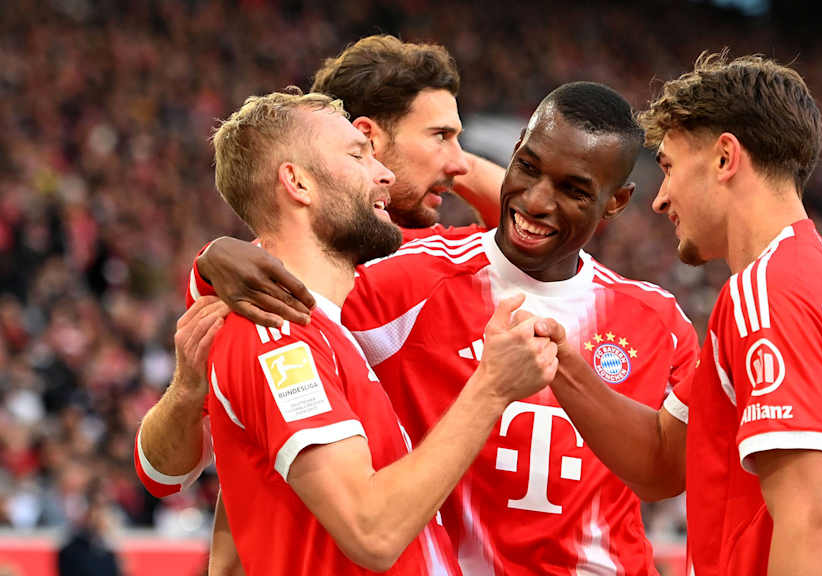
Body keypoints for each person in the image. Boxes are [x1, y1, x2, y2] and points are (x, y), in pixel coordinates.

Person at [169, 82, 700, 574]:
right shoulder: (407, 274)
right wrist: (212, 261)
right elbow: (280, 280)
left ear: (616, 201)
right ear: (514, 151)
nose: (537, 201)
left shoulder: (660, 320)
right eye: (528, 167)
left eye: (574, 190)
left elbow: (668, 472)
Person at [535, 51, 822, 576]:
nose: (660, 199)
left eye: (668, 167)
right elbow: (662, 460)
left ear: (725, 159)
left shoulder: (767, 292)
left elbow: (808, 522)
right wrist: (557, 360)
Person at [195, 89, 558, 575]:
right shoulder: (276, 334)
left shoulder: (327, 330)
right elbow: (371, 532)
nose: (384, 174)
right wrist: (491, 387)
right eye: (357, 156)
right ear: (298, 183)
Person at [133, 34, 507, 497]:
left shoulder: (254, 270)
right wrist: (186, 387)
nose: (460, 164)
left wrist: (212, 258)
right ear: (368, 138)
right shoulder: (268, 280)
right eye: (441, 137)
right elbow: (162, 473)